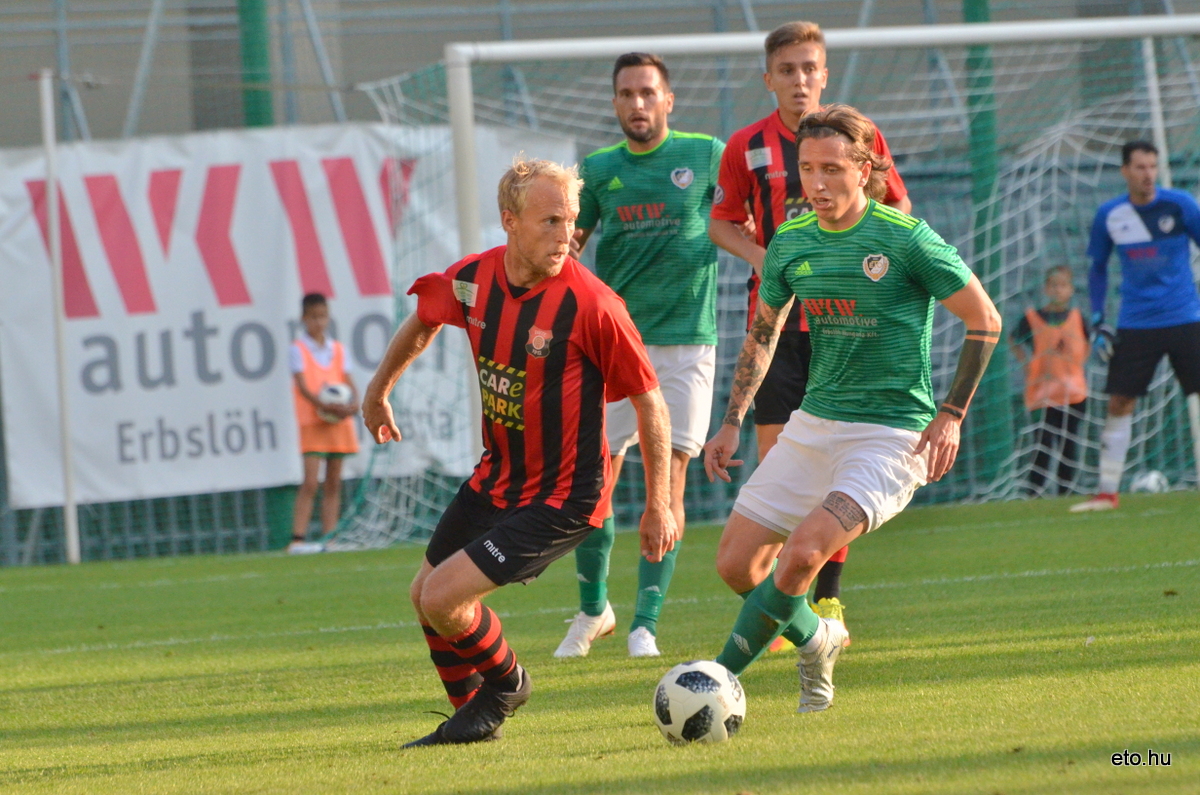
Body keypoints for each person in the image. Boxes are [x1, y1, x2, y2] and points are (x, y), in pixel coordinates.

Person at [362, 158, 677, 746]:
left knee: (444, 598)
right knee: (424, 597)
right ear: (510, 220)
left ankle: (508, 685)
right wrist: (378, 392)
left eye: (572, 220)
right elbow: (425, 318)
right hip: (498, 478)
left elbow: (650, 403)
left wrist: (658, 504)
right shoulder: (473, 279)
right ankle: (469, 719)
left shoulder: (593, 304)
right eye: (551, 221)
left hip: (563, 497)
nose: (567, 236)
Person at [702, 105, 1001, 712]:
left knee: (802, 554)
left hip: (890, 436)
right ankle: (818, 640)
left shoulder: (906, 238)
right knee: (735, 566)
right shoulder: (790, 243)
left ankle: (712, 681)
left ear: (865, 171)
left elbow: (984, 319)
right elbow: (763, 334)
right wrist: (731, 421)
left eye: (833, 170)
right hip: (815, 424)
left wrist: (950, 414)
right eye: (808, 169)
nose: (817, 183)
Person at [707, 21, 912, 642]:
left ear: (824, 74)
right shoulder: (746, 145)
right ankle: (784, 605)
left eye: (809, 68)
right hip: (776, 328)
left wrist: (861, 263)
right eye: (787, 70)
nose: (799, 80)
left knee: (836, 473)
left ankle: (828, 600)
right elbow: (720, 221)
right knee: (784, 467)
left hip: (843, 323)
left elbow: (898, 206)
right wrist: (767, 257)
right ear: (768, 79)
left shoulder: (861, 136)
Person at [554, 52, 723, 660]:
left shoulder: (707, 155)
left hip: (686, 343)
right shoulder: (599, 170)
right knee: (592, 482)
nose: (637, 103)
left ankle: (644, 625)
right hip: (615, 343)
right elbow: (568, 246)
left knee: (667, 484)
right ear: (615, 103)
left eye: (648, 92)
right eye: (626, 94)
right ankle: (593, 610)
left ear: (668, 100)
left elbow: (741, 215)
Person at [1072, 140, 1200, 512]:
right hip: (1136, 323)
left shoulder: (1180, 205)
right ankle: (1107, 493)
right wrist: (1099, 320)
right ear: (1125, 170)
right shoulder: (1110, 215)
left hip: (1185, 317)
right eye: (1140, 167)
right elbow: (1097, 270)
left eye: (1152, 167)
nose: (1148, 175)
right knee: (1120, 402)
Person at [289, 293, 359, 554]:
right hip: (313, 421)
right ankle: (297, 538)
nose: (319, 322)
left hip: (337, 423)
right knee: (310, 482)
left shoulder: (338, 349)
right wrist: (323, 405)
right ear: (304, 318)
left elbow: (348, 382)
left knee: (333, 482)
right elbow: (302, 386)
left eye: (323, 316)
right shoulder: (298, 349)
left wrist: (353, 404)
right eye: (313, 317)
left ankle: (330, 537)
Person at [1010, 266, 1089, 496]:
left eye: (1063, 285)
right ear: (1046, 289)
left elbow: (1088, 341)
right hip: (1042, 395)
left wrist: (1079, 362)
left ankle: (1066, 493)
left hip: (1073, 394)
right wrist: (1026, 363)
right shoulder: (1033, 318)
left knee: (1068, 447)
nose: (1058, 290)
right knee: (1042, 447)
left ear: (1071, 290)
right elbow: (1014, 339)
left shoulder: (1077, 318)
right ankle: (1034, 493)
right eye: (1053, 285)